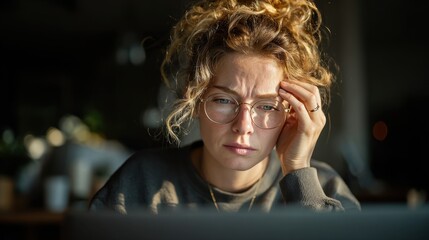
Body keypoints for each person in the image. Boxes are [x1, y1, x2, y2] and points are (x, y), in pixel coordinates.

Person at [89, 0, 361, 214]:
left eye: (267, 106)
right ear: (195, 99)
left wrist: (298, 171)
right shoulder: (141, 183)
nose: (242, 126)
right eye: (223, 100)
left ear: (291, 112)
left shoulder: (322, 189)